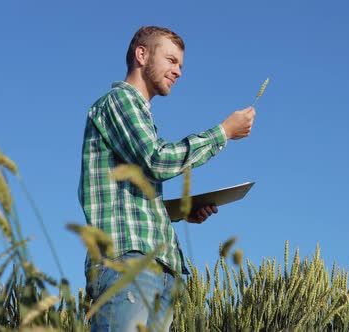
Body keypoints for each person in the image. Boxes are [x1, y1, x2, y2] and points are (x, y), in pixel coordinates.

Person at [78, 26, 256, 331]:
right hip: (130, 262)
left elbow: (127, 199)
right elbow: (157, 159)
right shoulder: (119, 102)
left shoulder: (140, 114)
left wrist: (179, 213)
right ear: (142, 55)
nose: (178, 72)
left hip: (160, 269)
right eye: (171, 61)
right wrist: (223, 132)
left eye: (181, 65)